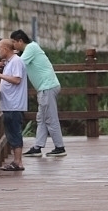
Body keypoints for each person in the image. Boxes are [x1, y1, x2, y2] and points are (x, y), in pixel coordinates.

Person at [10, 29, 66, 157]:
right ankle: (37, 147)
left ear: (20, 41)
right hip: (45, 88)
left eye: (14, 42)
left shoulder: (31, 48)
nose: (13, 45)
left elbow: (19, 64)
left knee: (50, 118)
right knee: (41, 118)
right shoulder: (31, 48)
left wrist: (11, 56)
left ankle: (60, 147)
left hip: (47, 87)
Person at [0, 38, 28, 171]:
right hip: (10, 103)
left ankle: (18, 162)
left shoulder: (16, 61)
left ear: (5, 49)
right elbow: (9, 81)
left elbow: (16, 80)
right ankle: (16, 161)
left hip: (14, 104)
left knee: (15, 132)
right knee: (11, 132)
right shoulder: (9, 62)